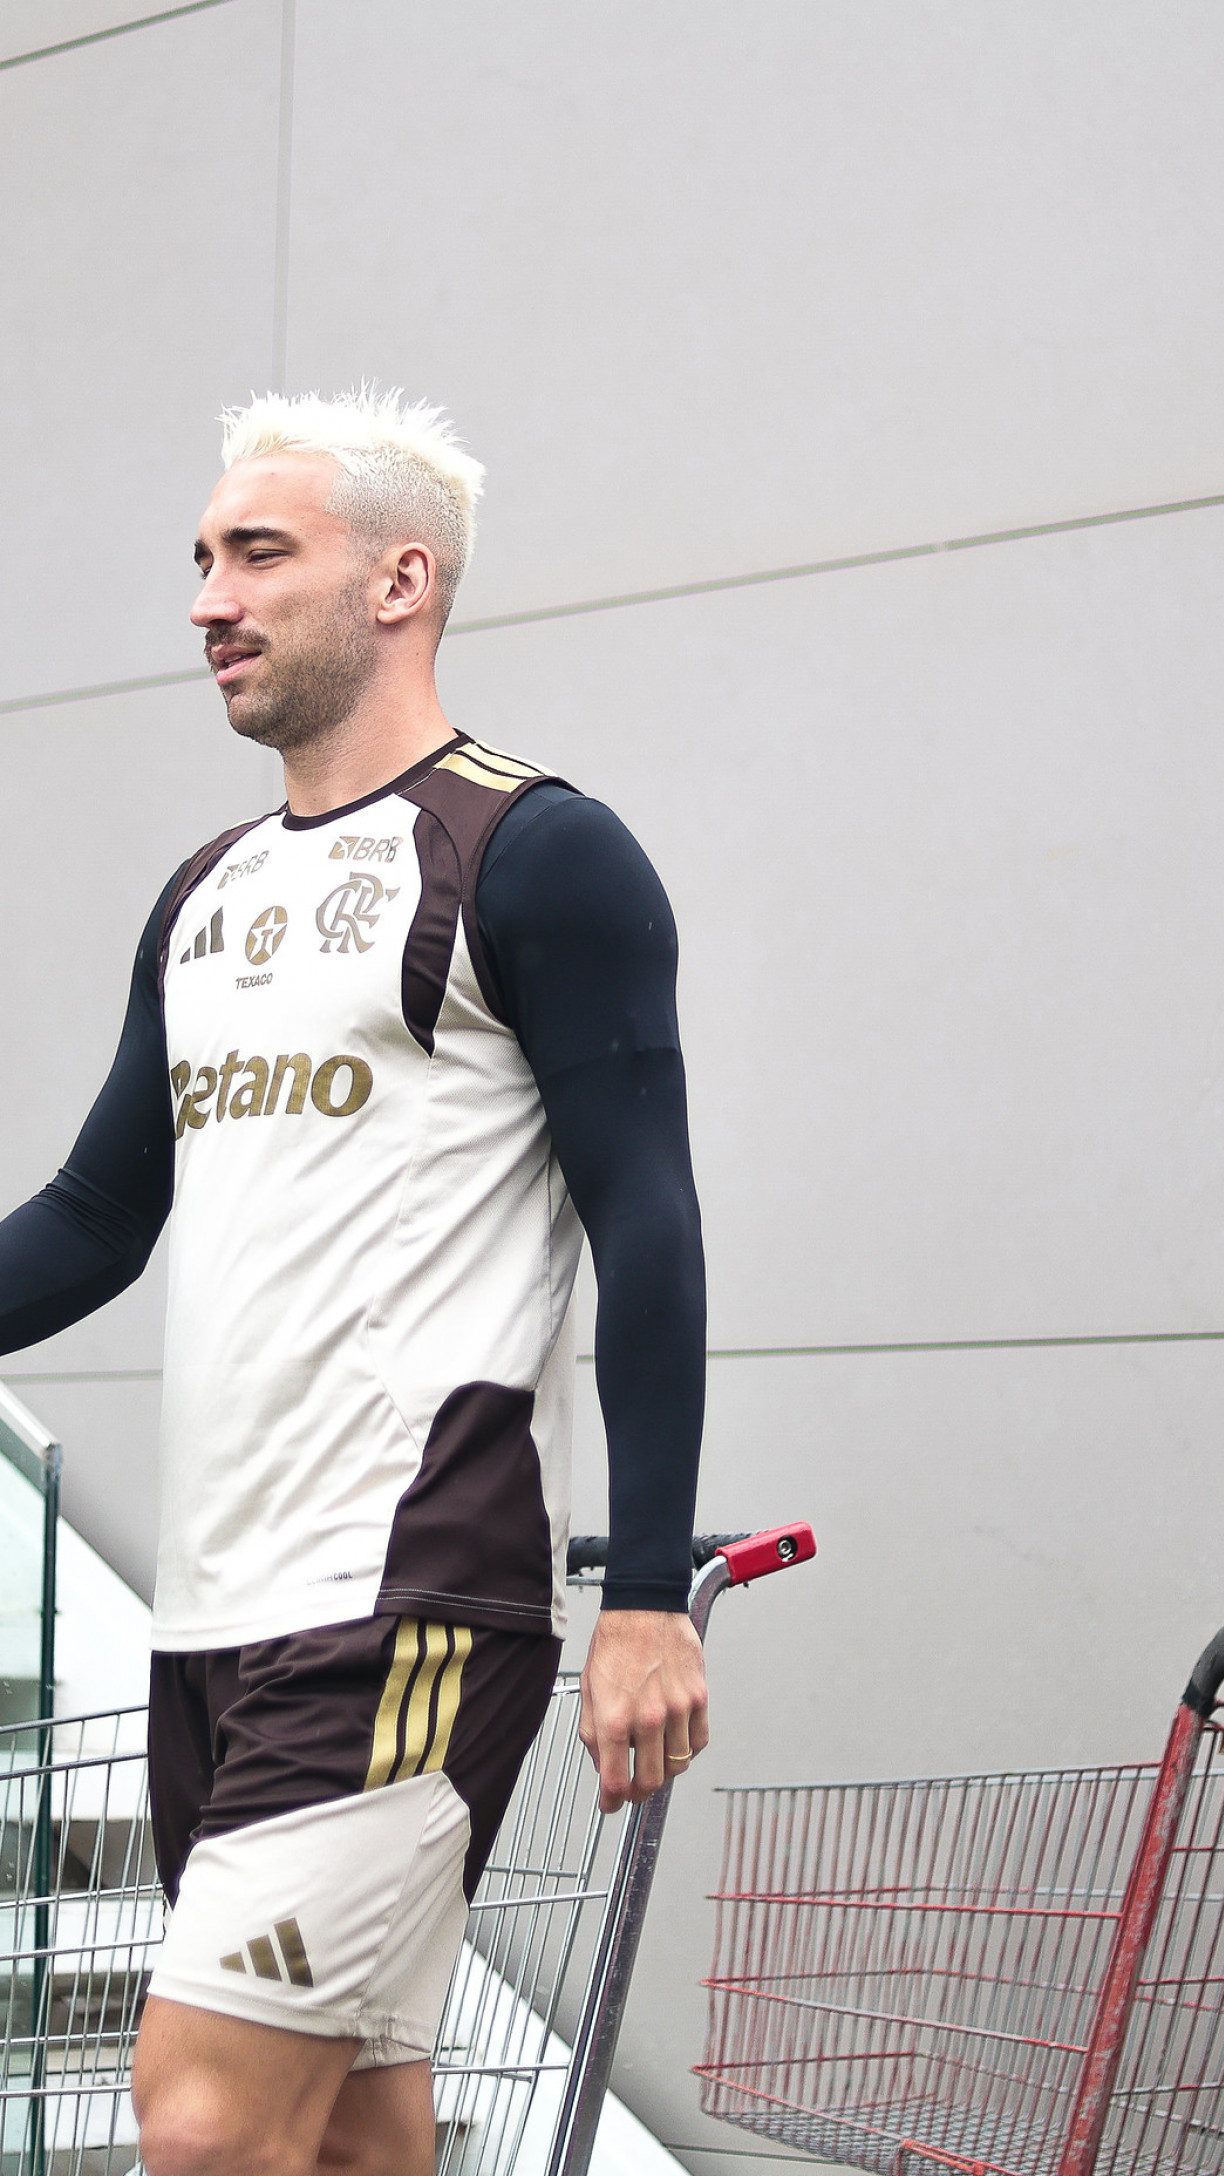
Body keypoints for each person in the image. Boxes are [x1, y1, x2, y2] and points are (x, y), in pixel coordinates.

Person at [0, 389, 707, 2176]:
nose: (207, 601)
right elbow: (94, 1218)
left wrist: (644, 1590)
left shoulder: (537, 848)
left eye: (258, 554)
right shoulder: (206, 896)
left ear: (402, 581)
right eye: (201, 560)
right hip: (215, 1623)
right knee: (351, 2138)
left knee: (203, 2114)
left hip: (406, 1600)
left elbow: (649, 1223)